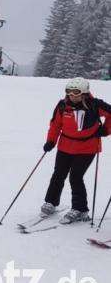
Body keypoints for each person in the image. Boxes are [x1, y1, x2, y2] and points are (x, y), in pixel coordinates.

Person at [40, 77, 111, 224]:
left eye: (76, 92)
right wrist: (50, 141)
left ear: (84, 92)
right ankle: (51, 203)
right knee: (58, 174)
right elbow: (55, 125)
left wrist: (105, 129)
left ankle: (80, 210)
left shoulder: (95, 105)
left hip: (87, 147)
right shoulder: (62, 106)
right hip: (65, 145)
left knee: (75, 177)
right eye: (69, 92)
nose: (73, 96)